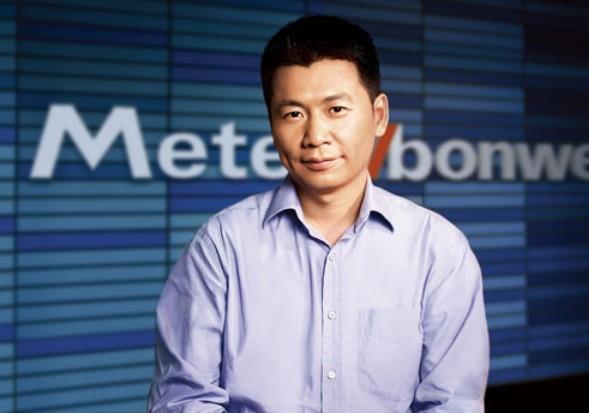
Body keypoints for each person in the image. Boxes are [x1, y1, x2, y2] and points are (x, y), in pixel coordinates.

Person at [147, 15, 489, 413]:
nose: (315, 136)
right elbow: (183, 400)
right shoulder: (222, 246)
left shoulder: (438, 250)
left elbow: (453, 404)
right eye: (293, 114)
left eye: (336, 109)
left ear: (379, 115)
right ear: (272, 123)